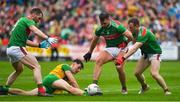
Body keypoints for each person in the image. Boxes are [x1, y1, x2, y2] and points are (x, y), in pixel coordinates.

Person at [5, 8, 57, 96]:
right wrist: (47, 38)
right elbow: (35, 30)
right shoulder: (28, 20)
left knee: (19, 70)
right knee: (36, 66)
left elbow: (25, 41)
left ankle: (4, 89)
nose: (39, 21)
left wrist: (39, 45)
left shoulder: (22, 21)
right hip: (17, 48)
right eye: (39, 18)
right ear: (34, 15)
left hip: (10, 49)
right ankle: (41, 91)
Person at [116, 18, 171, 95]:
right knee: (137, 73)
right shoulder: (135, 32)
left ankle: (166, 90)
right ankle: (145, 87)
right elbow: (131, 38)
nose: (129, 29)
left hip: (154, 53)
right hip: (146, 54)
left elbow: (135, 48)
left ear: (137, 26)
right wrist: (125, 43)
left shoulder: (144, 33)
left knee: (154, 73)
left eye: (131, 27)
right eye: (129, 27)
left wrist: (123, 58)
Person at [83, 12, 133, 94]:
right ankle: (94, 86)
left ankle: (124, 87)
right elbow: (94, 41)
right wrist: (89, 52)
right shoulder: (100, 29)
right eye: (101, 23)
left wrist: (126, 43)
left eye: (105, 23)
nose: (103, 25)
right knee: (98, 60)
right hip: (110, 48)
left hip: (122, 48)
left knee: (119, 67)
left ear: (108, 19)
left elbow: (131, 36)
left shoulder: (117, 26)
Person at [0, 59, 89, 96]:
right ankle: (87, 94)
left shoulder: (67, 74)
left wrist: (74, 91)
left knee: (27, 94)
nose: (78, 70)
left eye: (80, 69)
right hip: (52, 78)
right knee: (70, 88)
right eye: (78, 67)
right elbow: (72, 82)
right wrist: (82, 92)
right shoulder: (66, 66)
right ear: (73, 64)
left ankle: (5, 90)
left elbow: (68, 88)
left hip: (48, 85)